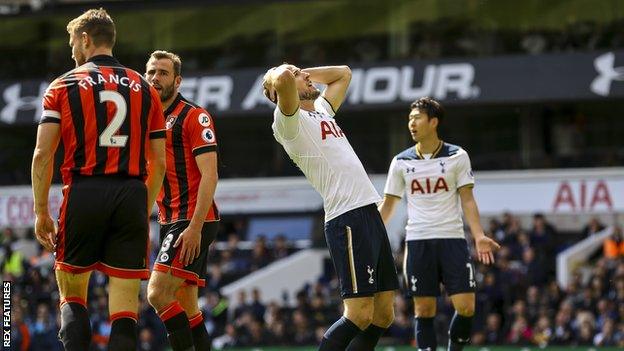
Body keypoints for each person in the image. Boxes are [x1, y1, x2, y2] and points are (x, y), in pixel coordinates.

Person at [31, 8, 166, 351]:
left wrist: (40, 212)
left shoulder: (63, 84)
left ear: (86, 39)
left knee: (72, 299)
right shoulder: (145, 87)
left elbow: (42, 155)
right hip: (132, 193)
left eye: (72, 42)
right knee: (124, 313)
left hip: (84, 192)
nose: (71, 50)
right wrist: (142, 207)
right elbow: (159, 163)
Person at [263, 63, 399, 351]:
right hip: (346, 217)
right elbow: (284, 78)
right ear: (280, 91)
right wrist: (282, 74)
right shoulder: (288, 122)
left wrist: (302, 73)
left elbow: (344, 73)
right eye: (300, 74)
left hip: (367, 212)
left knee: (384, 314)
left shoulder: (321, 110)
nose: (308, 76)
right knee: (359, 314)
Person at [378, 97, 500, 351]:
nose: (411, 123)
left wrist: (478, 235)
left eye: (417, 118)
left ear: (433, 122)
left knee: (466, 307)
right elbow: (388, 206)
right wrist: (369, 234)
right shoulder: (401, 162)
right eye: (409, 119)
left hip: (452, 238)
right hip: (418, 240)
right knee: (423, 310)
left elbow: (467, 199)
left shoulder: (457, 156)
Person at [145, 50, 219, 351]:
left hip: (192, 220)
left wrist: (195, 228)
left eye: (162, 73)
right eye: (151, 72)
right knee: (188, 308)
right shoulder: (145, 120)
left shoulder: (193, 116)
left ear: (178, 80)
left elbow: (210, 176)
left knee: (157, 294)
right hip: (169, 220)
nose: (155, 78)